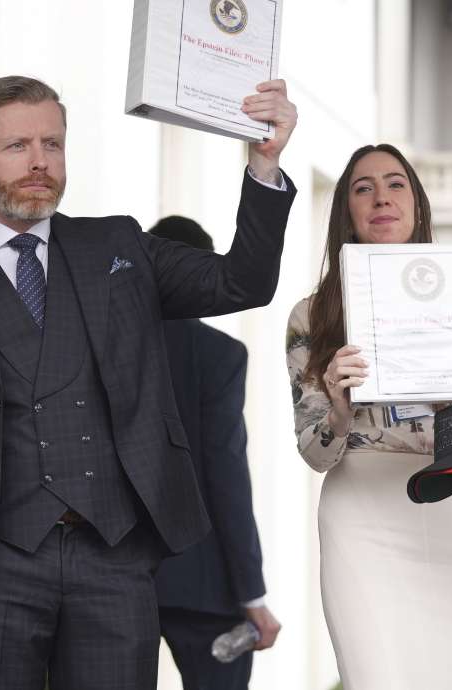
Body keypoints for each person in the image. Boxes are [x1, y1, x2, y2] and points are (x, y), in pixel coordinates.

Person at [0, 75, 297, 690]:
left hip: (116, 558)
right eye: (18, 146)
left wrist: (263, 163)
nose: (40, 162)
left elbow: (243, 283)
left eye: (53, 143)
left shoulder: (118, 246)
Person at [285, 144, 452, 689]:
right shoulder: (313, 315)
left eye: (396, 184)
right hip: (362, 518)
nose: (382, 197)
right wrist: (339, 410)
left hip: (451, 508)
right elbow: (314, 455)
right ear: (347, 211)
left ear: (417, 203)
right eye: (364, 187)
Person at [147, 215, 280, 690]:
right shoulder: (219, 355)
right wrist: (251, 592)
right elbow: (226, 474)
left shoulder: (99, 345)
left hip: (113, 577)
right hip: (202, 579)